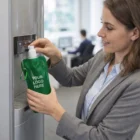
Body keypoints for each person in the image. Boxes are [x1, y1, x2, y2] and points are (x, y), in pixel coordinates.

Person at [27, 0, 140, 139]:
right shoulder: (103, 57)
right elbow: (71, 78)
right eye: (102, 24)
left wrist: (55, 110)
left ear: (134, 33)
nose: (100, 33)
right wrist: (56, 57)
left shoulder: (136, 84)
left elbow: (104, 137)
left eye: (109, 27)